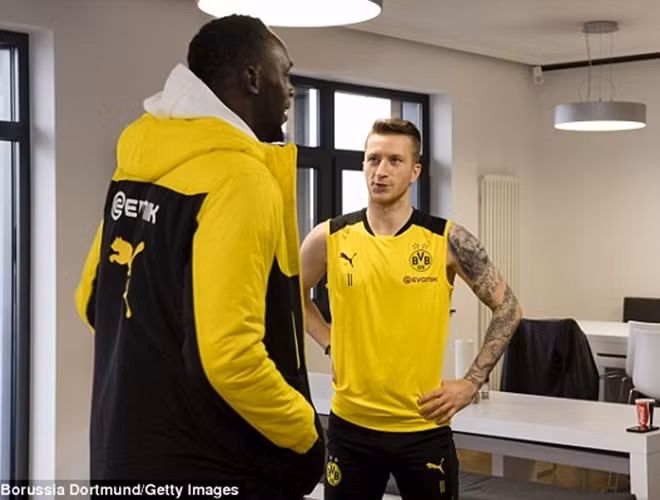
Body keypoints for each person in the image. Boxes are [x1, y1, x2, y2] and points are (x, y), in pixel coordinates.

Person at [75, 15, 324, 499]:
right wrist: (304, 433)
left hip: (121, 452)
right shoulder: (240, 178)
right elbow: (229, 357)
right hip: (214, 464)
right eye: (286, 73)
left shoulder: (135, 172)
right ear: (252, 77)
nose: (291, 89)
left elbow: (91, 300)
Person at [301, 118, 522, 500]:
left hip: (422, 427)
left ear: (415, 171)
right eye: (373, 159)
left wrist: (471, 383)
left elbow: (509, 308)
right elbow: (289, 294)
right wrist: (330, 341)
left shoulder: (447, 240)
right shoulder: (330, 237)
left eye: (394, 160)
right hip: (351, 428)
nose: (381, 170)